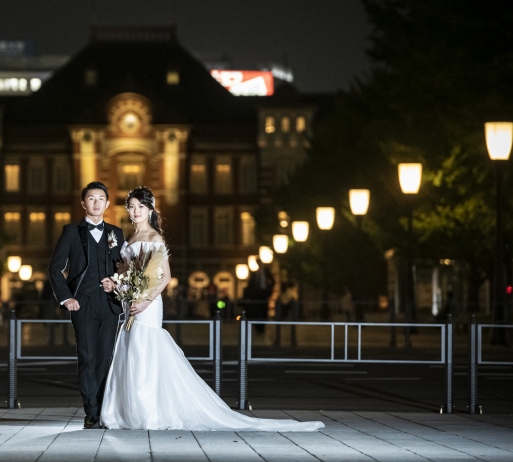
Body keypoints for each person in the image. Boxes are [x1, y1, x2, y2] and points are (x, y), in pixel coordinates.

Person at [101, 186, 324, 432]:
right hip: (131, 299)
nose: (135, 211)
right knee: (130, 346)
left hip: (149, 303)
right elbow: (127, 271)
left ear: (150, 209)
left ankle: (148, 413)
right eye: (132, 207)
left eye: (140, 207)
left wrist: (145, 300)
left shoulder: (155, 238)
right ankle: (126, 412)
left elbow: (165, 277)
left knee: (145, 347)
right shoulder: (129, 238)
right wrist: (120, 283)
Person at [47, 181, 125, 429]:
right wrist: (66, 297)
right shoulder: (71, 231)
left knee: (105, 359)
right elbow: (55, 268)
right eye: (91, 198)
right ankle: (91, 413)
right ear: (83, 203)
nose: (96, 203)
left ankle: (104, 411)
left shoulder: (116, 233)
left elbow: (123, 268)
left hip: (110, 304)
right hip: (83, 303)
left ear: (107, 203)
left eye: (101, 199)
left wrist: (116, 283)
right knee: (88, 358)